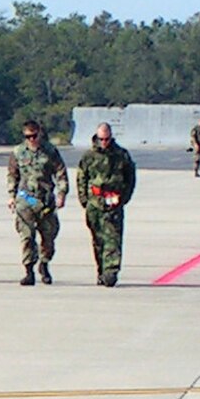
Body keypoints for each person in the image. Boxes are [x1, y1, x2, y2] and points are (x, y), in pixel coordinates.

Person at [5, 119, 69, 286]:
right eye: (28, 136)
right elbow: (12, 174)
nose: (32, 139)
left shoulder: (50, 151)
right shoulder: (18, 152)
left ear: (39, 133)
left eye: (34, 136)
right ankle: (28, 270)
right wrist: (11, 196)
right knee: (26, 236)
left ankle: (44, 264)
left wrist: (62, 193)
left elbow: (60, 173)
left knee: (48, 236)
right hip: (26, 198)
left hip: (45, 199)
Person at [74, 122, 137, 287]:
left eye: (107, 139)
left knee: (113, 238)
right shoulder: (89, 156)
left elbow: (130, 177)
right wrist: (84, 201)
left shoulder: (121, 155)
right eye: (101, 139)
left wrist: (124, 198)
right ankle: (101, 269)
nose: (104, 142)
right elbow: (82, 178)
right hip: (94, 203)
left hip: (114, 202)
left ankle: (111, 270)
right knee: (98, 239)